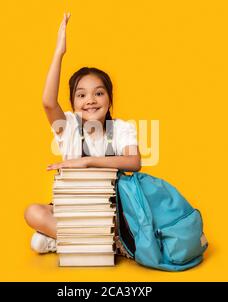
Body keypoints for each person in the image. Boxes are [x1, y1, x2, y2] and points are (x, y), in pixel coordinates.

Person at [24, 12, 141, 254]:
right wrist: (59, 52)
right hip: (72, 211)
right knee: (33, 212)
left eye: (99, 93)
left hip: (109, 214)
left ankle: (66, 241)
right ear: (72, 103)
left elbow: (134, 161)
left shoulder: (121, 129)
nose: (90, 100)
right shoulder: (67, 127)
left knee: (38, 243)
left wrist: (86, 162)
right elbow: (47, 102)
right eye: (81, 95)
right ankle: (99, 245)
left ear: (109, 99)